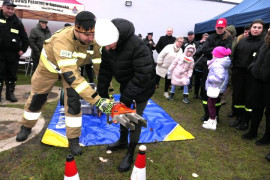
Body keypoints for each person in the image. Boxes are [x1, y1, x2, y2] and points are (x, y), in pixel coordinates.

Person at [15, 11, 114, 156]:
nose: (91, 39)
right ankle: (26, 126)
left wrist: (108, 91)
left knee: (73, 103)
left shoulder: (93, 38)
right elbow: (73, 78)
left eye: (93, 35)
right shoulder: (63, 41)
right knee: (37, 99)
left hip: (71, 68)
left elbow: (100, 67)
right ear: (77, 28)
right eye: (87, 35)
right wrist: (97, 101)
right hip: (48, 70)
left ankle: (73, 138)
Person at [95, 18, 156, 172]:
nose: (107, 48)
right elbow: (105, 71)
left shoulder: (138, 46)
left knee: (134, 118)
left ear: (117, 38)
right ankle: (122, 141)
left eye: (109, 44)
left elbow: (143, 75)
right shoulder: (108, 47)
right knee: (121, 113)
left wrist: (126, 98)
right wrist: (102, 94)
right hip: (127, 85)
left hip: (143, 88)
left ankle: (130, 152)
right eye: (105, 46)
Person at [230, 19, 265, 130]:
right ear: (250, 28)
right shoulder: (243, 40)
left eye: (259, 28)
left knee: (248, 99)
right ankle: (238, 117)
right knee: (237, 97)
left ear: (262, 29)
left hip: (251, 76)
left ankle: (245, 121)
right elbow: (235, 55)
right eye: (254, 27)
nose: (256, 29)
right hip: (238, 73)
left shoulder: (263, 43)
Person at [198, 18, 233, 122]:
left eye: (221, 28)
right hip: (208, 67)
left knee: (216, 93)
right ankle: (206, 113)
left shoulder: (228, 38)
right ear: (215, 27)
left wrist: (214, 50)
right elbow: (204, 50)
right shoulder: (211, 37)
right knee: (206, 90)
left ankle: (215, 114)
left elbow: (227, 52)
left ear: (225, 27)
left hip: (219, 68)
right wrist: (218, 50)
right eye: (218, 27)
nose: (219, 29)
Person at [241, 27, 270, 146]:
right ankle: (253, 131)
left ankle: (267, 137)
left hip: (269, 83)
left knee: (269, 112)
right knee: (256, 107)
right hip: (258, 80)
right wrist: (253, 67)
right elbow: (256, 57)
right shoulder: (265, 43)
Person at [0, 0, 29, 102]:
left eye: (12, 9)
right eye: (8, 8)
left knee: (12, 75)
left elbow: (25, 38)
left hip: (13, 54)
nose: (11, 11)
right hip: (0, 53)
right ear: (2, 7)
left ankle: (10, 94)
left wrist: (23, 50)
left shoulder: (17, 22)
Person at [202, 46, 231, 130]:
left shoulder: (217, 64)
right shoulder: (221, 62)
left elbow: (219, 77)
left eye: (214, 53)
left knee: (210, 104)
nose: (212, 54)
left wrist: (210, 79)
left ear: (217, 55)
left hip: (215, 87)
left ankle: (212, 121)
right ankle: (211, 120)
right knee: (211, 103)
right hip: (217, 87)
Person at [193, 33, 209, 99]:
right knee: (197, 81)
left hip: (205, 66)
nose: (205, 39)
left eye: (207, 38)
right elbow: (196, 53)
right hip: (198, 66)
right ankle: (195, 94)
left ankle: (202, 94)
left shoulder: (210, 46)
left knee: (204, 81)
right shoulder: (199, 44)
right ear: (202, 38)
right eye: (204, 37)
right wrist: (202, 45)